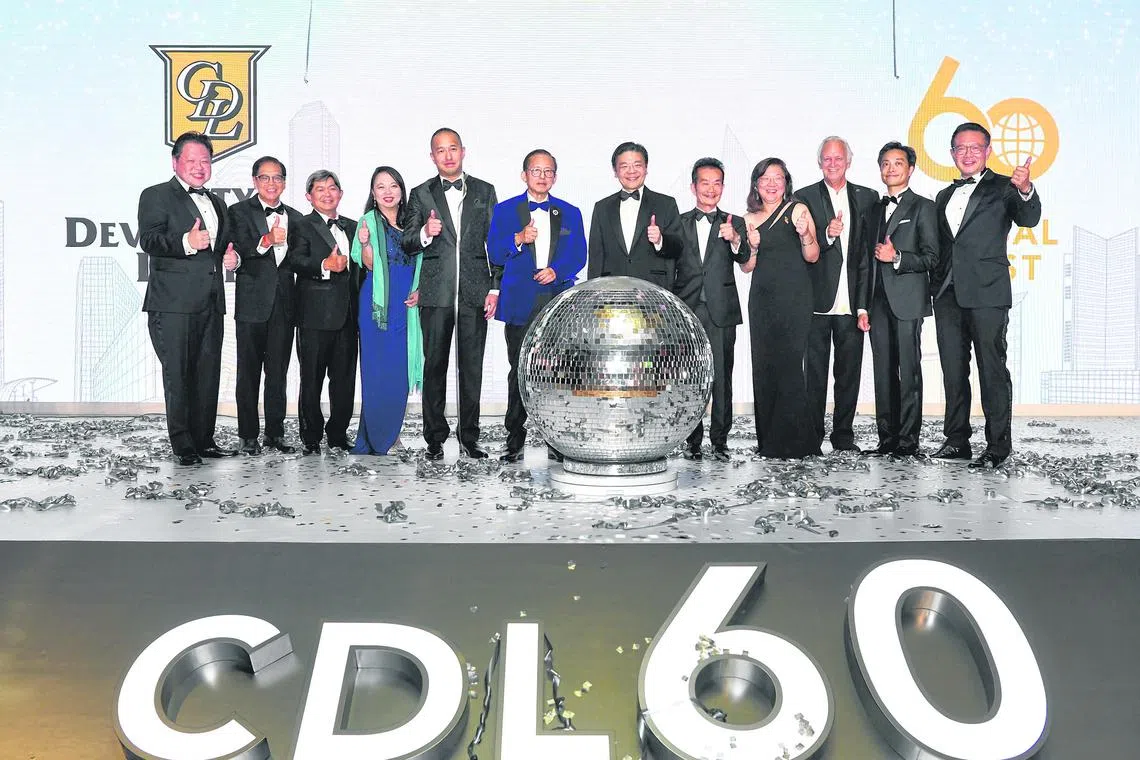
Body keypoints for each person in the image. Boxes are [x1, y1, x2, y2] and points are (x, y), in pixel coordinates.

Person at [931, 122, 1041, 469]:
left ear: (988, 151)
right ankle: (957, 441)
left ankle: (997, 446)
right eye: (960, 148)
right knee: (952, 370)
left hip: (988, 292)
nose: (967, 154)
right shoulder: (944, 196)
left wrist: (1025, 189)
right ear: (952, 154)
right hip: (947, 293)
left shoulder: (1004, 186)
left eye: (975, 147)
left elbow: (1029, 218)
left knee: (992, 369)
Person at [137, 131, 236, 465]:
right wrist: (186, 242)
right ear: (175, 162)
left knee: (207, 373)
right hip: (172, 303)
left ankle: (204, 439)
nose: (199, 167)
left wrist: (229, 258)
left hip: (211, 301)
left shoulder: (218, 203)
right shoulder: (156, 195)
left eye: (205, 161)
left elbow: (219, 249)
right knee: (178, 374)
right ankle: (183, 445)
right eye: (191, 160)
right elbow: (149, 240)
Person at [401, 128, 500, 461]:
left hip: (475, 290)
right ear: (432, 156)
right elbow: (407, 241)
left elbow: (496, 244)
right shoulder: (420, 193)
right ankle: (435, 437)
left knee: (471, 368)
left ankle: (470, 437)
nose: (447, 155)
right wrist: (425, 234)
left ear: (463, 151)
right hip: (435, 292)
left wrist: (495, 288)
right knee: (435, 367)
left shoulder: (485, 191)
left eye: (452, 148)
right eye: (440, 150)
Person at [488, 149, 587, 463]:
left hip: (557, 302)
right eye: (536, 170)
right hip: (520, 301)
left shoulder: (570, 212)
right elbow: (493, 252)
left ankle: (556, 442)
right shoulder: (505, 210)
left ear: (555, 177)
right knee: (519, 371)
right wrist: (518, 237)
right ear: (524, 175)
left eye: (548, 171)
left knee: (557, 373)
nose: (542, 176)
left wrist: (557, 271)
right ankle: (514, 440)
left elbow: (579, 253)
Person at [794, 137, 880, 452]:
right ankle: (812, 436)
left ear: (848, 161)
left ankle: (843, 436)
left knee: (849, 374)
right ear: (820, 163)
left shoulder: (868, 198)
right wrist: (828, 236)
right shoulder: (803, 197)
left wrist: (864, 305)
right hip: (816, 300)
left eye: (838, 158)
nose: (832, 164)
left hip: (852, 301)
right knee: (813, 375)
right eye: (827, 159)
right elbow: (799, 248)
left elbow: (866, 257)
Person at [854, 142, 939, 456]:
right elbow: (864, 261)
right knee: (882, 372)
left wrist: (898, 257)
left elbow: (932, 257)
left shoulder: (923, 207)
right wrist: (862, 305)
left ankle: (907, 442)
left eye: (898, 163)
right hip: (876, 302)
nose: (891, 169)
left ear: (911, 169)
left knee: (908, 371)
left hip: (908, 299)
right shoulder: (873, 209)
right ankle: (886, 440)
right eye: (885, 164)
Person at [223, 155, 308, 455]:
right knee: (248, 372)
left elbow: (301, 260)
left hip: (285, 306)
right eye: (265, 177)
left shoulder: (297, 218)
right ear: (254, 181)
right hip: (251, 305)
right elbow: (236, 251)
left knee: (278, 373)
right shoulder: (237, 212)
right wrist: (266, 241)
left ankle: (275, 433)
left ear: (284, 183)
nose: (271, 183)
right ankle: (247, 435)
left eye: (277, 178)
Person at [742, 158, 821, 458]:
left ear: (786, 182)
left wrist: (805, 235)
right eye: (765, 178)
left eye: (778, 177)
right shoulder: (748, 218)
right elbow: (748, 267)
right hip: (762, 300)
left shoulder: (798, 210)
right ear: (756, 184)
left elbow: (812, 256)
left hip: (795, 298)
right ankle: (770, 443)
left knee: (789, 367)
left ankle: (800, 443)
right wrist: (753, 246)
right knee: (765, 367)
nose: (772, 183)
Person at [673, 158, 751, 461]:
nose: (710, 189)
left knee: (722, 377)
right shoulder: (677, 222)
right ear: (693, 186)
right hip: (687, 309)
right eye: (704, 182)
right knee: (690, 376)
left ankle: (720, 441)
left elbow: (744, 258)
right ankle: (692, 441)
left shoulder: (735, 221)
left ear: (723, 187)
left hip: (721, 309)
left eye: (716, 183)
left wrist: (735, 240)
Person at [350, 166, 423, 455]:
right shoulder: (368, 221)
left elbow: (422, 262)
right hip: (378, 308)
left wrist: (419, 291)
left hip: (407, 306)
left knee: (399, 373)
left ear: (402, 190)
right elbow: (368, 264)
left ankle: (390, 433)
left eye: (393, 185)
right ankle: (384, 438)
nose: (388, 192)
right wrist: (366, 243)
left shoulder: (412, 224)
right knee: (378, 372)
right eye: (381, 187)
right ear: (373, 193)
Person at [291, 170, 359, 455]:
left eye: (333, 188)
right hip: (314, 315)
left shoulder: (355, 227)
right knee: (312, 379)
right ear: (309, 196)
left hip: (348, 315)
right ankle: (310, 436)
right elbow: (293, 259)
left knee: (344, 381)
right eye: (320, 189)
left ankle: (338, 434)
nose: (327, 193)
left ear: (340, 194)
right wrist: (324, 266)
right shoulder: (300, 225)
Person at [586, 141, 683, 289]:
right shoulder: (602, 207)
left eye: (637, 165)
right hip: (613, 292)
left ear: (646, 168)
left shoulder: (666, 204)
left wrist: (660, 241)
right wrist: (594, 294)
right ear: (615, 171)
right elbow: (596, 257)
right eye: (624, 166)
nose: (631, 171)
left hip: (654, 291)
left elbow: (679, 247)